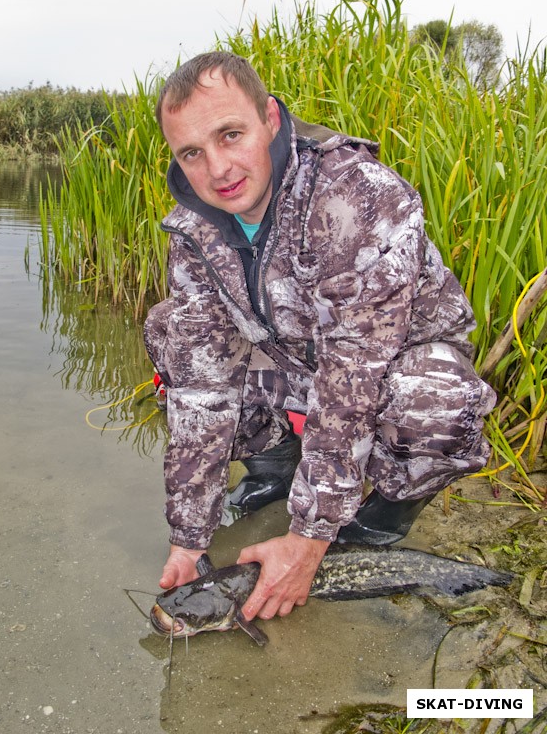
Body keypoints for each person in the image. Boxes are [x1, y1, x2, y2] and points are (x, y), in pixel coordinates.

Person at [143, 51, 496, 623]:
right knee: (172, 335)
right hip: (295, 356)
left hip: (389, 362)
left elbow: (351, 376)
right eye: (191, 153)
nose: (217, 169)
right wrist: (190, 536)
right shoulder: (193, 230)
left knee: (434, 404)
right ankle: (276, 468)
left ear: (271, 120)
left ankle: (386, 514)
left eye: (231, 135)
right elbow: (203, 387)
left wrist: (309, 537)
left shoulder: (356, 197)